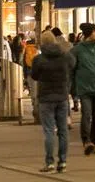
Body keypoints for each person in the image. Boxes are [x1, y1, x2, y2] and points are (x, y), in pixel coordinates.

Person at [32, 29, 77, 172]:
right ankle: (63, 161)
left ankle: (49, 162)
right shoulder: (65, 56)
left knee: (49, 131)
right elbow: (73, 64)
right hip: (62, 97)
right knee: (63, 130)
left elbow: (34, 76)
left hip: (45, 98)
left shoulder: (39, 59)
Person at [73, 22, 95, 155]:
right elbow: (72, 68)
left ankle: (94, 142)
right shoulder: (77, 50)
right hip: (85, 88)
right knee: (86, 115)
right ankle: (86, 141)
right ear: (89, 33)